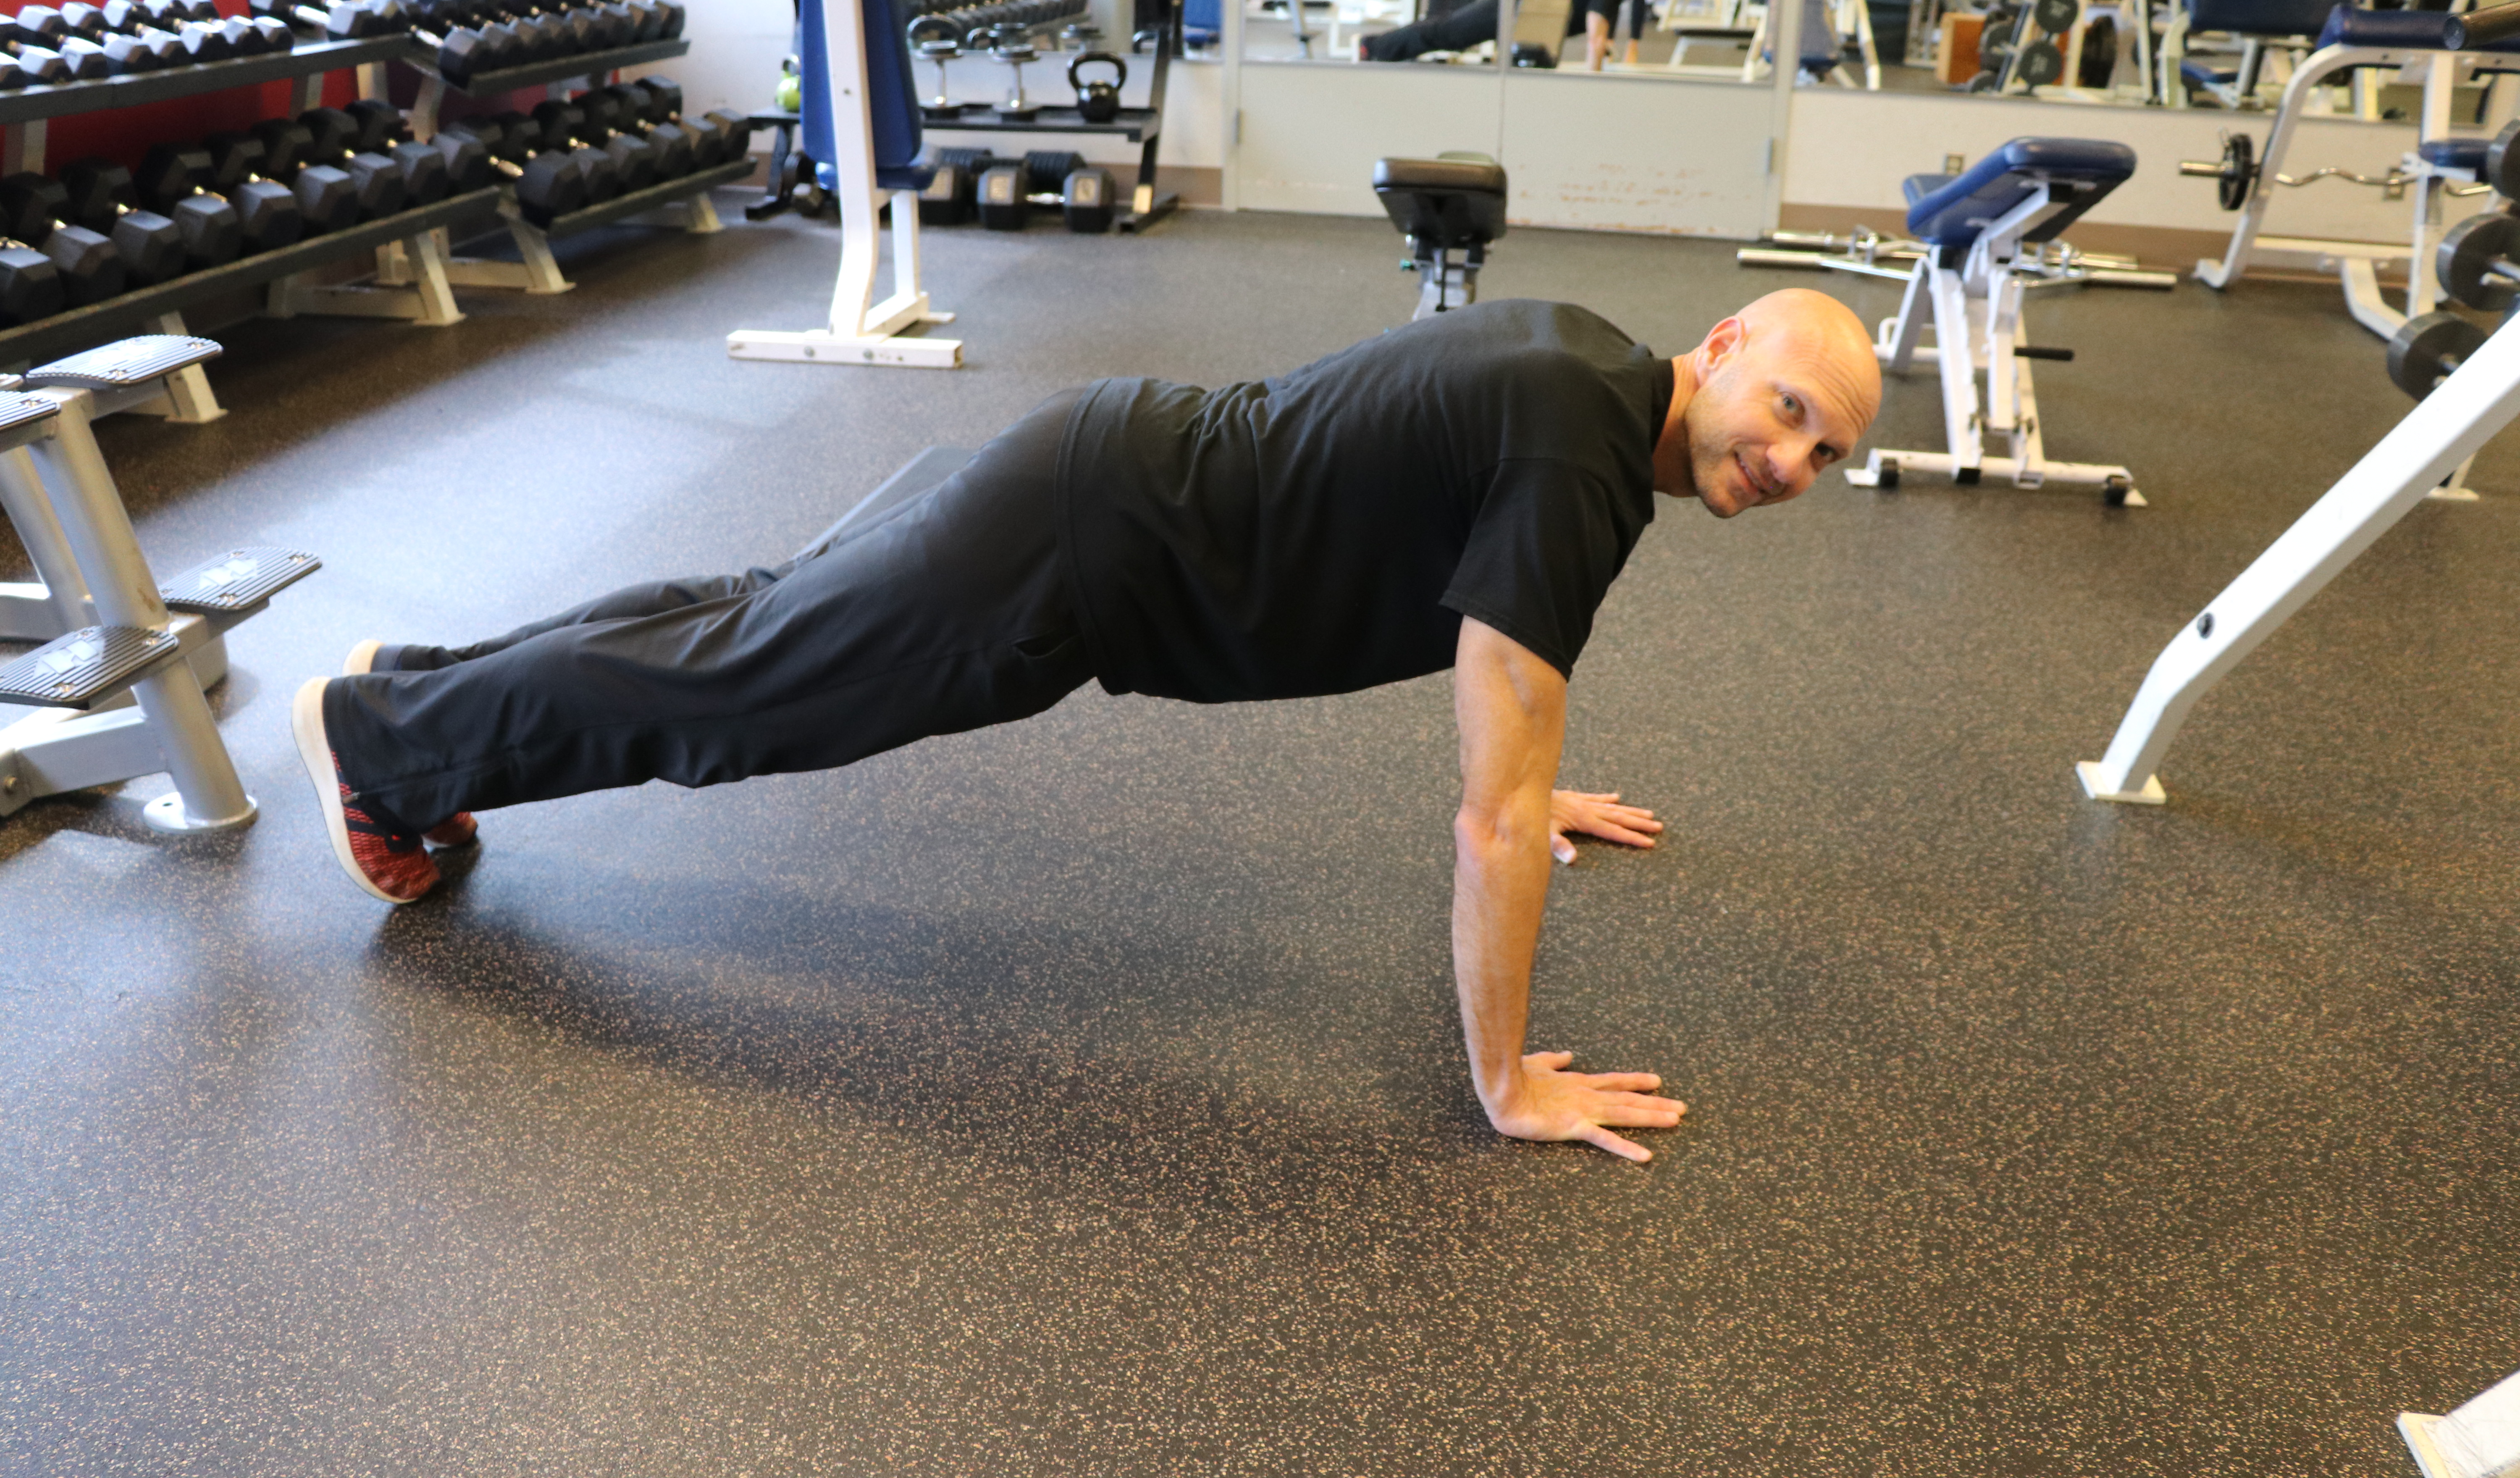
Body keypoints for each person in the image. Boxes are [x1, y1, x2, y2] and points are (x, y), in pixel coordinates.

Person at [294, 290, 1881, 1162]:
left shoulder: (1591, 376)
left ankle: (424, 683)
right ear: (1728, 342)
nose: (1792, 461)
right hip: (1063, 559)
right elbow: (1488, 809)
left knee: (749, 618)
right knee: (740, 689)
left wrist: (1538, 779)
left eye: (1830, 458)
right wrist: (1504, 1080)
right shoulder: (1583, 462)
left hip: (1086, 470)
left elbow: (1498, 664)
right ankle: (384, 739)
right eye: (1791, 412)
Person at [1359, 0, 1664, 71]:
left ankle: (1378, 47)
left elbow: (1602, 38)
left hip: (1528, 17)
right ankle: (1373, 47)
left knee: (1450, 33)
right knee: (1450, 35)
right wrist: (1592, 84)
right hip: (1518, 9)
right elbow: (1596, 41)